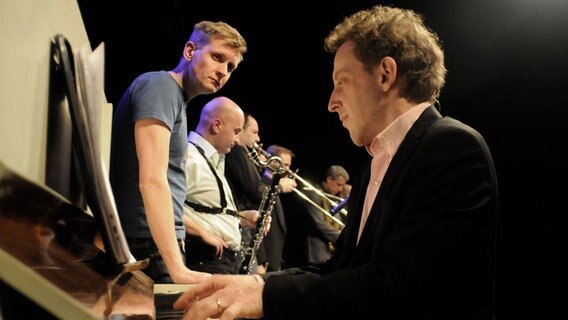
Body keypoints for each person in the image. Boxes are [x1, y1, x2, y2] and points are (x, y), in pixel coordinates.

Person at [173, 5, 499, 319]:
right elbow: (341, 268)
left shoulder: (452, 147)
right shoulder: (375, 163)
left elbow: (403, 290)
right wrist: (255, 283)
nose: (331, 103)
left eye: (341, 82)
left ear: (385, 75)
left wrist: (265, 297)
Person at [109, 20, 247, 284]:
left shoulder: (176, 99)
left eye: (230, 67)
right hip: (146, 245)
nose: (223, 72)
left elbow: (168, 187)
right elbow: (151, 181)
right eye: (217, 57)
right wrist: (177, 267)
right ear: (189, 51)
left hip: (156, 245)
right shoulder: (161, 87)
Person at [182, 96, 259, 275]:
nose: (238, 139)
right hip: (207, 260)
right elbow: (162, 207)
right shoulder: (190, 158)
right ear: (216, 126)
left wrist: (240, 217)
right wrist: (201, 232)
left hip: (221, 260)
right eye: (236, 131)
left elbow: (202, 208)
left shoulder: (211, 159)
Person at [224, 112, 269, 274]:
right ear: (240, 131)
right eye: (254, 132)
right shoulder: (237, 151)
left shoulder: (242, 154)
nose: (258, 139)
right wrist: (273, 180)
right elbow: (255, 191)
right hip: (241, 231)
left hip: (247, 230)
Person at [258, 144, 297, 272]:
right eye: (285, 165)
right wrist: (261, 260)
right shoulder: (263, 186)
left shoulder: (275, 188)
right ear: (273, 163)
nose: (289, 170)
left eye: (289, 166)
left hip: (274, 259)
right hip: (264, 261)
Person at [303, 165, 350, 264]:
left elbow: (340, 221)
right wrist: (342, 238)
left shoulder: (334, 197)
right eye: (339, 184)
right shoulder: (314, 194)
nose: (341, 189)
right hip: (318, 251)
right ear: (329, 179)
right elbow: (319, 223)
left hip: (332, 251)